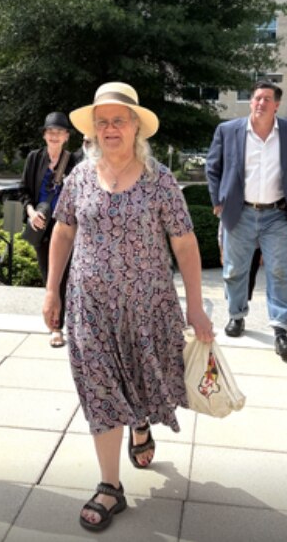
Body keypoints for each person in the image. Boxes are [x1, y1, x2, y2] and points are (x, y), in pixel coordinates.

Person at [42, 82, 213, 533]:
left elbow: (185, 242)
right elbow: (62, 231)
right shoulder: (79, 177)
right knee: (98, 387)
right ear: (93, 131)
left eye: (119, 120)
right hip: (89, 308)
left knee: (137, 379)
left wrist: (195, 307)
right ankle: (110, 486)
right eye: (102, 122)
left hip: (147, 307)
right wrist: (51, 290)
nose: (110, 128)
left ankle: (140, 423)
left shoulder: (160, 181)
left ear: (136, 126)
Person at [205, 80, 287, 358]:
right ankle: (236, 314)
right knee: (234, 270)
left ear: (276, 104)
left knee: (279, 271)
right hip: (239, 212)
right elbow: (213, 166)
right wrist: (217, 199)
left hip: (277, 215)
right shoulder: (229, 130)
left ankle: (280, 328)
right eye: (256, 98)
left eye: (267, 98)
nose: (260, 103)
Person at [20, 111, 78, 347]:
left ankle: (65, 325)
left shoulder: (74, 162)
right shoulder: (34, 158)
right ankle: (55, 327)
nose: (54, 136)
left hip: (66, 228)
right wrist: (31, 213)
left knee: (67, 278)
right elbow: (23, 190)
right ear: (45, 135)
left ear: (66, 137)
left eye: (59, 132)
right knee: (50, 278)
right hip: (41, 226)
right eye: (50, 132)